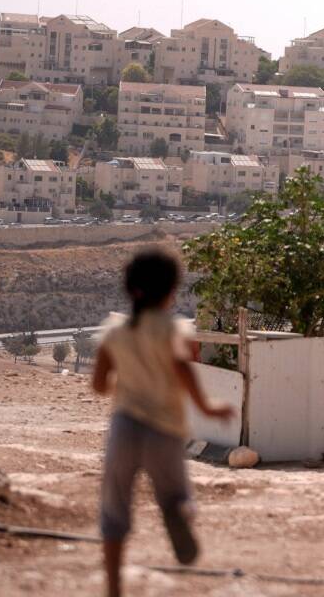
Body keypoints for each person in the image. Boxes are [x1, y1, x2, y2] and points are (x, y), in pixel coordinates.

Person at [91, 250, 235, 597]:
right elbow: (184, 370)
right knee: (174, 494)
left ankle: (113, 589)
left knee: (114, 509)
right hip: (165, 430)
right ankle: (178, 513)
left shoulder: (114, 332)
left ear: (129, 289)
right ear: (172, 292)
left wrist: (124, 385)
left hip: (125, 426)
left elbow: (97, 385)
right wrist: (209, 408)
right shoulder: (175, 329)